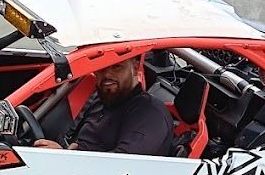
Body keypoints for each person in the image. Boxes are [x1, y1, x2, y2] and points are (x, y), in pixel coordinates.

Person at [32, 56, 175, 156]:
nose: (107, 74)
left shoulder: (149, 113)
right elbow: (78, 145)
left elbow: (122, 167)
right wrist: (65, 152)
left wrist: (65, 158)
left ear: (135, 66)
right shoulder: (102, 99)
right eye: (102, 68)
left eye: (116, 67)